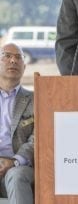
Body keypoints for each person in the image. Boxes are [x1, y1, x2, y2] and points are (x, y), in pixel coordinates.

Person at [0, 43, 34, 204]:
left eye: (18, 57)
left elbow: (38, 138)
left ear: (24, 66)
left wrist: (14, 161)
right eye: (7, 55)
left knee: (16, 175)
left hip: (20, 166)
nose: (13, 60)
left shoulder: (36, 99)